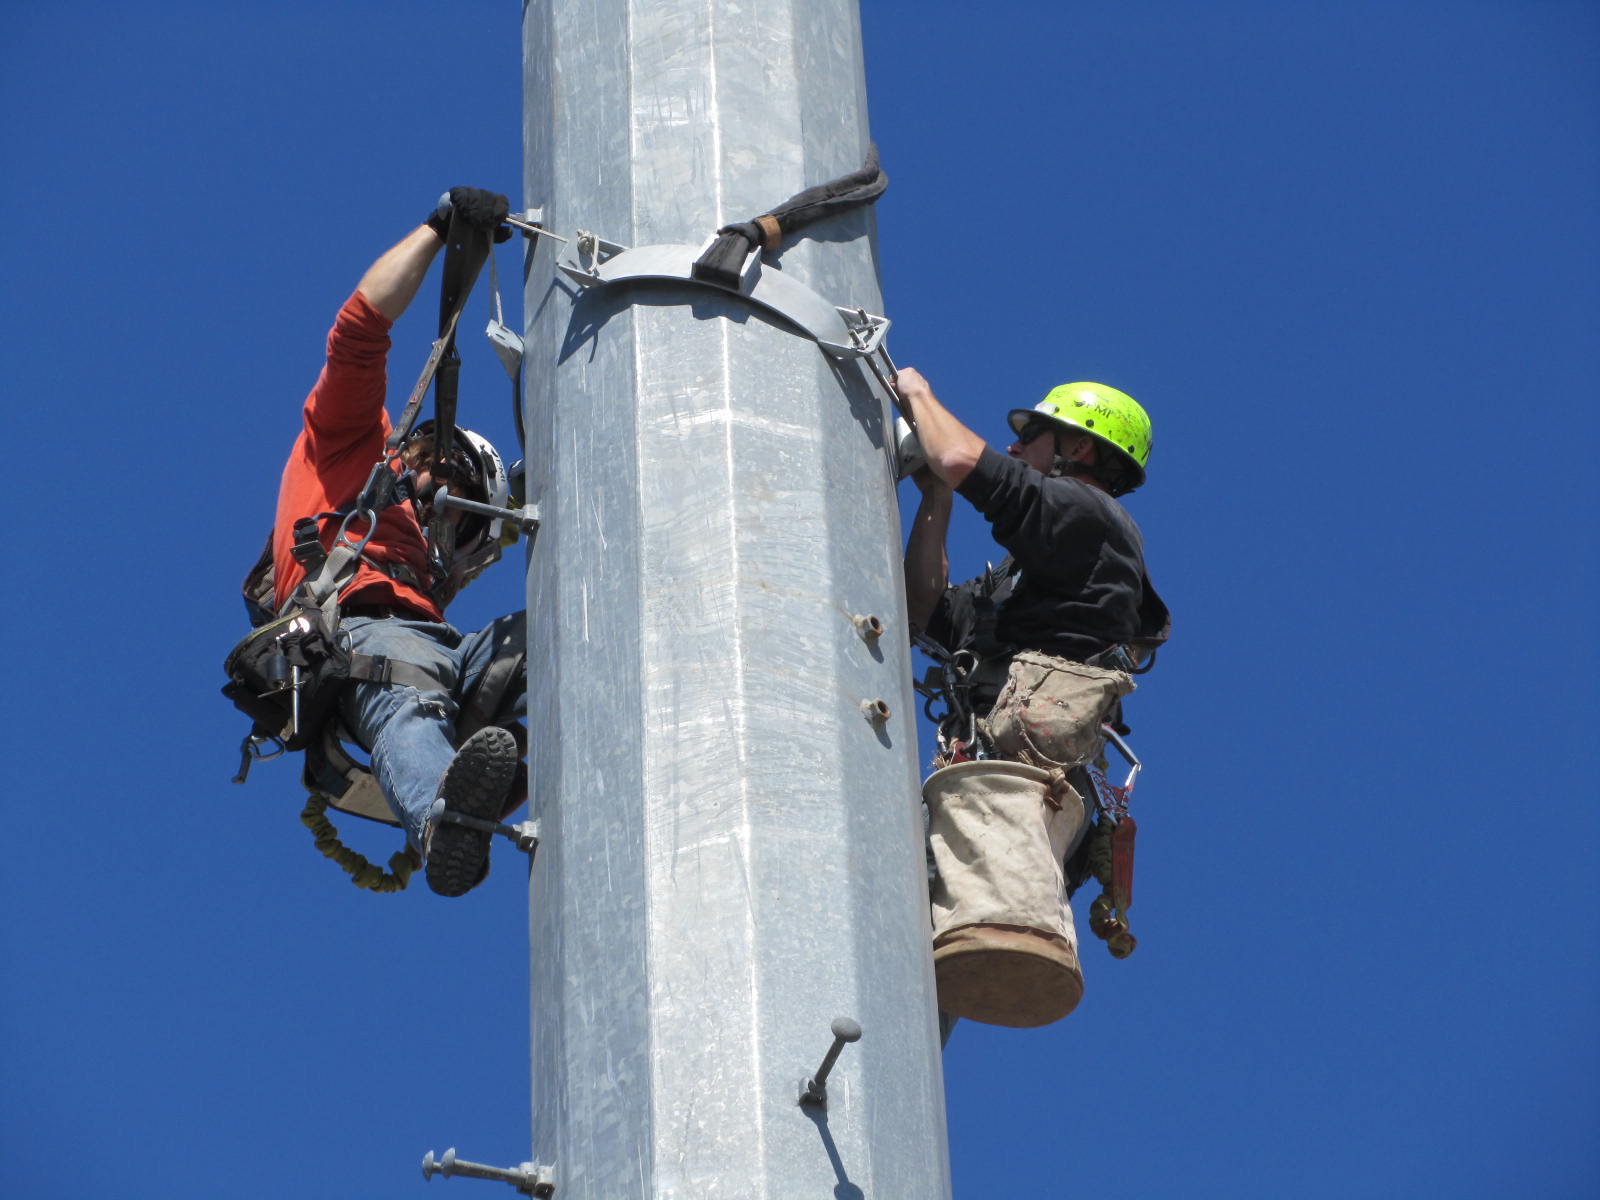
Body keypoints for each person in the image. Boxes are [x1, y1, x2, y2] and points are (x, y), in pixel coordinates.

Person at [893, 366, 1169, 1027]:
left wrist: (917, 393)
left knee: (980, 931)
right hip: (988, 779)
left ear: (1079, 450)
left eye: (1034, 438)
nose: (1015, 450)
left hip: (1020, 785)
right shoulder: (1018, 588)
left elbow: (963, 455)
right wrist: (937, 501)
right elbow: (917, 610)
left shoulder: (1089, 518)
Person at [271, 187, 526, 898]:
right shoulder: (352, 448)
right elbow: (359, 329)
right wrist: (438, 231)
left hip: (436, 645)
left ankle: (504, 772)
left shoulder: (428, 575)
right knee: (405, 689)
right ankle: (447, 818)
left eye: (465, 518)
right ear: (415, 447)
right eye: (443, 472)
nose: (443, 506)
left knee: (551, 632)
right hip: (360, 635)